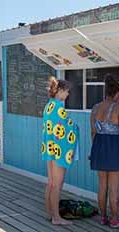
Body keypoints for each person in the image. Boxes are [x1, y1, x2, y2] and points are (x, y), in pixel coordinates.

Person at [89, 76, 119, 228]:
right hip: (115, 149)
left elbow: (93, 133)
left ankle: (103, 217)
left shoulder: (95, 108)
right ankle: (115, 219)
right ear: (116, 93)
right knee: (114, 188)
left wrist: (95, 150)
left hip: (99, 147)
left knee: (102, 185)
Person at [41, 76, 79, 226]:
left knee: (50, 182)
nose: (68, 95)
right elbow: (65, 128)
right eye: (67, 92)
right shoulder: (59, 107)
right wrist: (75, 127)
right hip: (58, 150)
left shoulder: (48, 105)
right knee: (57, 184)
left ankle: (49, 213)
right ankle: (57, 218)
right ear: (60, 91)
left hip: (48, 148)